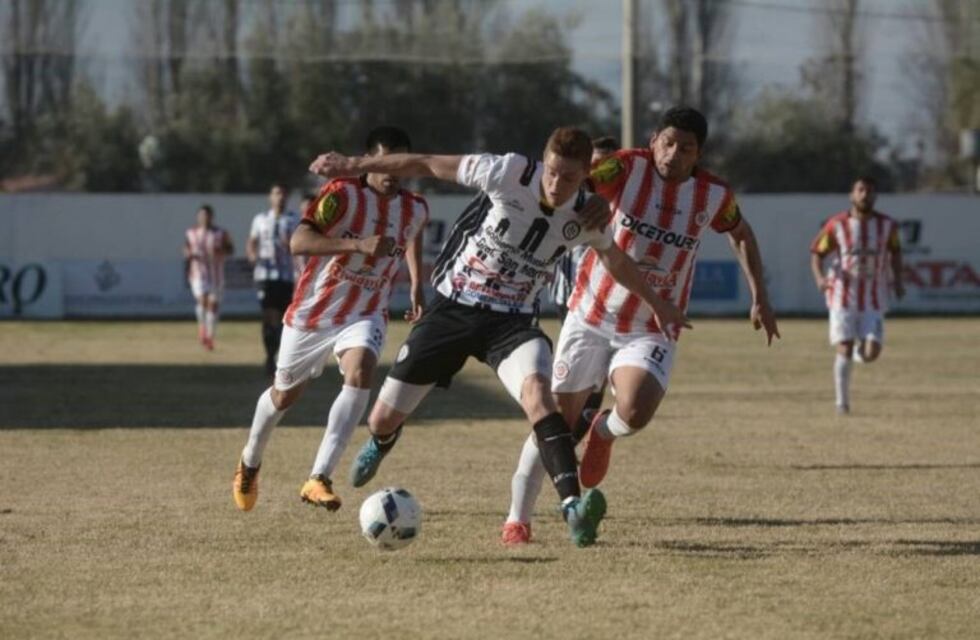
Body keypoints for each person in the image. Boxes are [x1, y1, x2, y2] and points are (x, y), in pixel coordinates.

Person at [309, 126, 691, 547]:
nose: (555, 184)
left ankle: (573, 508)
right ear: (542, 163)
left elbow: (617, 261)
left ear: (586, 175)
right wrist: (351, 164)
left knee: (540, 399)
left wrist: (658, 301)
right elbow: (426, 163)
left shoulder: (587, 215)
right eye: (551, 172)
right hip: (454, 308)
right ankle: (383, 440)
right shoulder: (507, 171)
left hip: (512, 322)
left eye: (568, 178)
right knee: (381, 418)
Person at [502, 107, 780, 546]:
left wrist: (760, 296)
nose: (673, 154)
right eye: (667, 143)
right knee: (555, 420)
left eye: (685, 148)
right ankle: (517, 519)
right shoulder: (626, 165)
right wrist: (589, 196)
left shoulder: (713, 195)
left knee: (636, 409)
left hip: (651, 324)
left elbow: (740, 233)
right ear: (653, 141)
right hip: (591, 316)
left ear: (698, 154)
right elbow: (581, 181)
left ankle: (603, 432)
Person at [233, 126, 429, 513]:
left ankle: (318, 477)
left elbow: (413, 233)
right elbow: (299, 242)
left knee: (361, 372)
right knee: (284, 395)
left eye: (400, 163)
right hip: (314, 312)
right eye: (385, 162)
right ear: (369, 161)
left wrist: (418, 284)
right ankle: (249, 461)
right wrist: (357, 244)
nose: (393, 171)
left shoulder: (415, 207)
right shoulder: (341, 194)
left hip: (366, 310)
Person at [810, 176, 903, 414]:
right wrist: (820, 278)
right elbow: (817, 253)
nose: (865, 195)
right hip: (842, 296)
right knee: (844, 346)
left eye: (870, 191)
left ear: (875, 196)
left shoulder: (888, 225)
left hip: (874, 298)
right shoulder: (837, 224)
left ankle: (857, 355)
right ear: (852, 195)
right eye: (860, 190)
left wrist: (898, 280)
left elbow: (895, 252)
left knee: (872, 353)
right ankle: (842, 403)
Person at [549, 136, 620, 442]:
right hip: (567, 295)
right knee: (578, 373)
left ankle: (577, 435)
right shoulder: (568, 193)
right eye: (595, 164)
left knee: (598, 374)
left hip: (606, 298)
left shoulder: (622, 201)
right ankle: (572, 434)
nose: (599, 171)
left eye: (607, 165)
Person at [247, 184, 301, 375]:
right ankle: (269, 356)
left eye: (283, 194)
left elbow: (300, 244)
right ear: (270, 197)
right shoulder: (260, 219)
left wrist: (290, 245)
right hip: (264, 275)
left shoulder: (294, 219)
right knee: (268, 314)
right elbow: (252, 241)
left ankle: (276, 355)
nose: (280, 197)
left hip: (286, 275)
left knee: (280, 317)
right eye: (277, 193)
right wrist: (252, 254)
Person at [183, 204, 233, 350]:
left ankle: (210, 336)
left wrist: (221, 250)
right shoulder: (191, 232)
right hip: (198, 273)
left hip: (216, 274)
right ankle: (202, 329)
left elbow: (230, 249)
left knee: (213, 305)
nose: (204, 218)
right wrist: (187, 253)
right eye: (201, 215)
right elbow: (186, 247)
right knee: (203, 300)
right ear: (198, 217)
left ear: (212, 217)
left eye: (207, 215)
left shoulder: (221, 233)